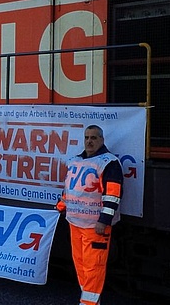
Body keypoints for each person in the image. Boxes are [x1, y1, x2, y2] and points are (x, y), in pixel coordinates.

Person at [56, 125, 124, 305]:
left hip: (96, 226)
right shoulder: (75, 161)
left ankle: (88, 303)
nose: (89, 141)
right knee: (81, 265)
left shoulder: (109, 163)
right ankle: (89, 301)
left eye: (94, 138)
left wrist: (104, 220)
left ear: (102, 140)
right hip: (75, 222)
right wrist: (61, 207)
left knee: (94, 267)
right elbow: (70, 190)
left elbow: (113, 195)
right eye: (86, 137)